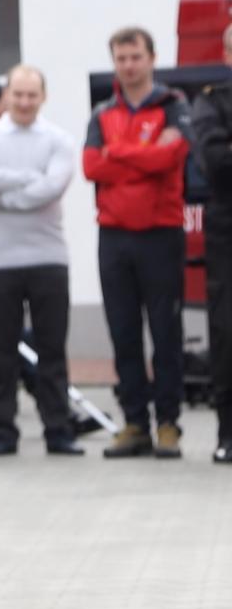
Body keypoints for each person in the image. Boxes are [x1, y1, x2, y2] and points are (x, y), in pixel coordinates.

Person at [0, 65, 82, 456]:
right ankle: (4, 431)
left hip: (48, 257)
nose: (25, 102)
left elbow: (53, 187)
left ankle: (57, 430)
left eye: (32, 95)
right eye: (18, 95)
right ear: (7, 96)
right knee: (1, 351)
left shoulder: (58, 139)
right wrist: (29, 179)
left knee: (52, 350)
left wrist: (2, 196)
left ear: (43, 97)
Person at [85, 27, 192, 459]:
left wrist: (120, 154)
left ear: (152, 58)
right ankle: (134, 423)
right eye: (121, 58)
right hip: (114, 238)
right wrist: (141, 157)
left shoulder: (173, 105)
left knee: (166, 332)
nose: (128, 65)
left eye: (135, 57)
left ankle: (168, 424)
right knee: (123, 332)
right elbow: (92, 165)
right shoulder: (102, 114)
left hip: (161, 235)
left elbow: (173, 157)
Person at [190, 23, 232, 465]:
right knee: (226, 330)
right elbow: (218, 164)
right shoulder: (210, 101)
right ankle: (229, 433)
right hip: (227, 226)